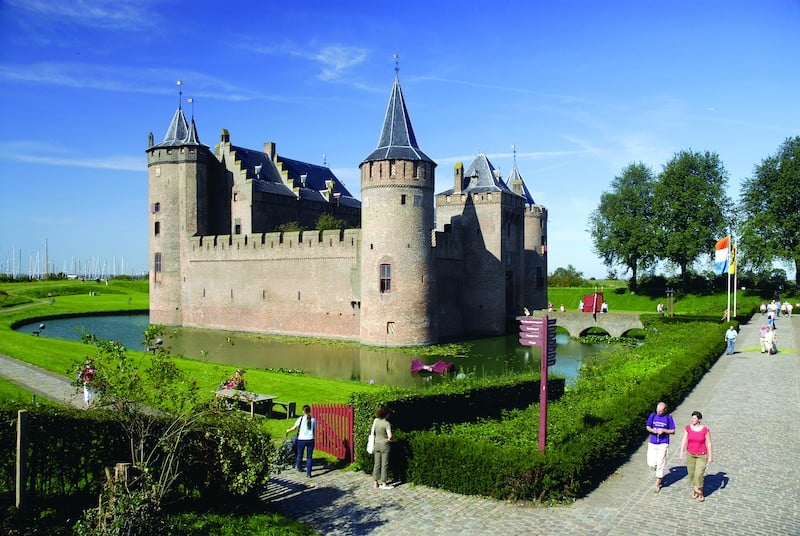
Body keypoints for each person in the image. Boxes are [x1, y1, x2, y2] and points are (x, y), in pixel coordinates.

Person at [678, 410, 713, 501]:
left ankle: (699, 491)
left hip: (701, 455)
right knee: (692, 474)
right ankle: (695, 490)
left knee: (699, 474)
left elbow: (709, 443)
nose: (692, 419)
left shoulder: (705, 430)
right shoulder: (688, 428)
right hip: (690, 454)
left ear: (699, 420)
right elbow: (684, 440)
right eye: (692, 418)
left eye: (694, 418)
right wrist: (681, 452)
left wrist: (710, 456)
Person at [646, 402, 675, 493]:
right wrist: (652, 430)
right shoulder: (653, 415)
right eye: (657, 410)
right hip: (653, 442)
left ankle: (657, 483)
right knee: (650, 462)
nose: (658, 412)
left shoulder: (668, 417)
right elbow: (647, 426)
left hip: (663, 443)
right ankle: (655, 467)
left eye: (660, 411)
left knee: (660, 462)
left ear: (665, 410)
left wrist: (664, 430)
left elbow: (673, 431)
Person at [287, 404, 316, 477]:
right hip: (310, 439)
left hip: (301, 439)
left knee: (300, 454)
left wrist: (288, 430)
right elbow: (314, 429)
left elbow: (294, 428)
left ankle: (299, 467)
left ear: (303, 411)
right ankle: (308, 473)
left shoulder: (301, 418)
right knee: (309, 457)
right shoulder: (313, 419)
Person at [371, 406, 393, 489]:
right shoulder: (386, 423)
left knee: (376, 464)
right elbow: (390, 436)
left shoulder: (376, 421)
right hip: (384, 445)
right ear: (386, 415)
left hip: (376, 444)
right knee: (384, 464)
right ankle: (384, 483)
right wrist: (389, 439)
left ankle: (375, 483)